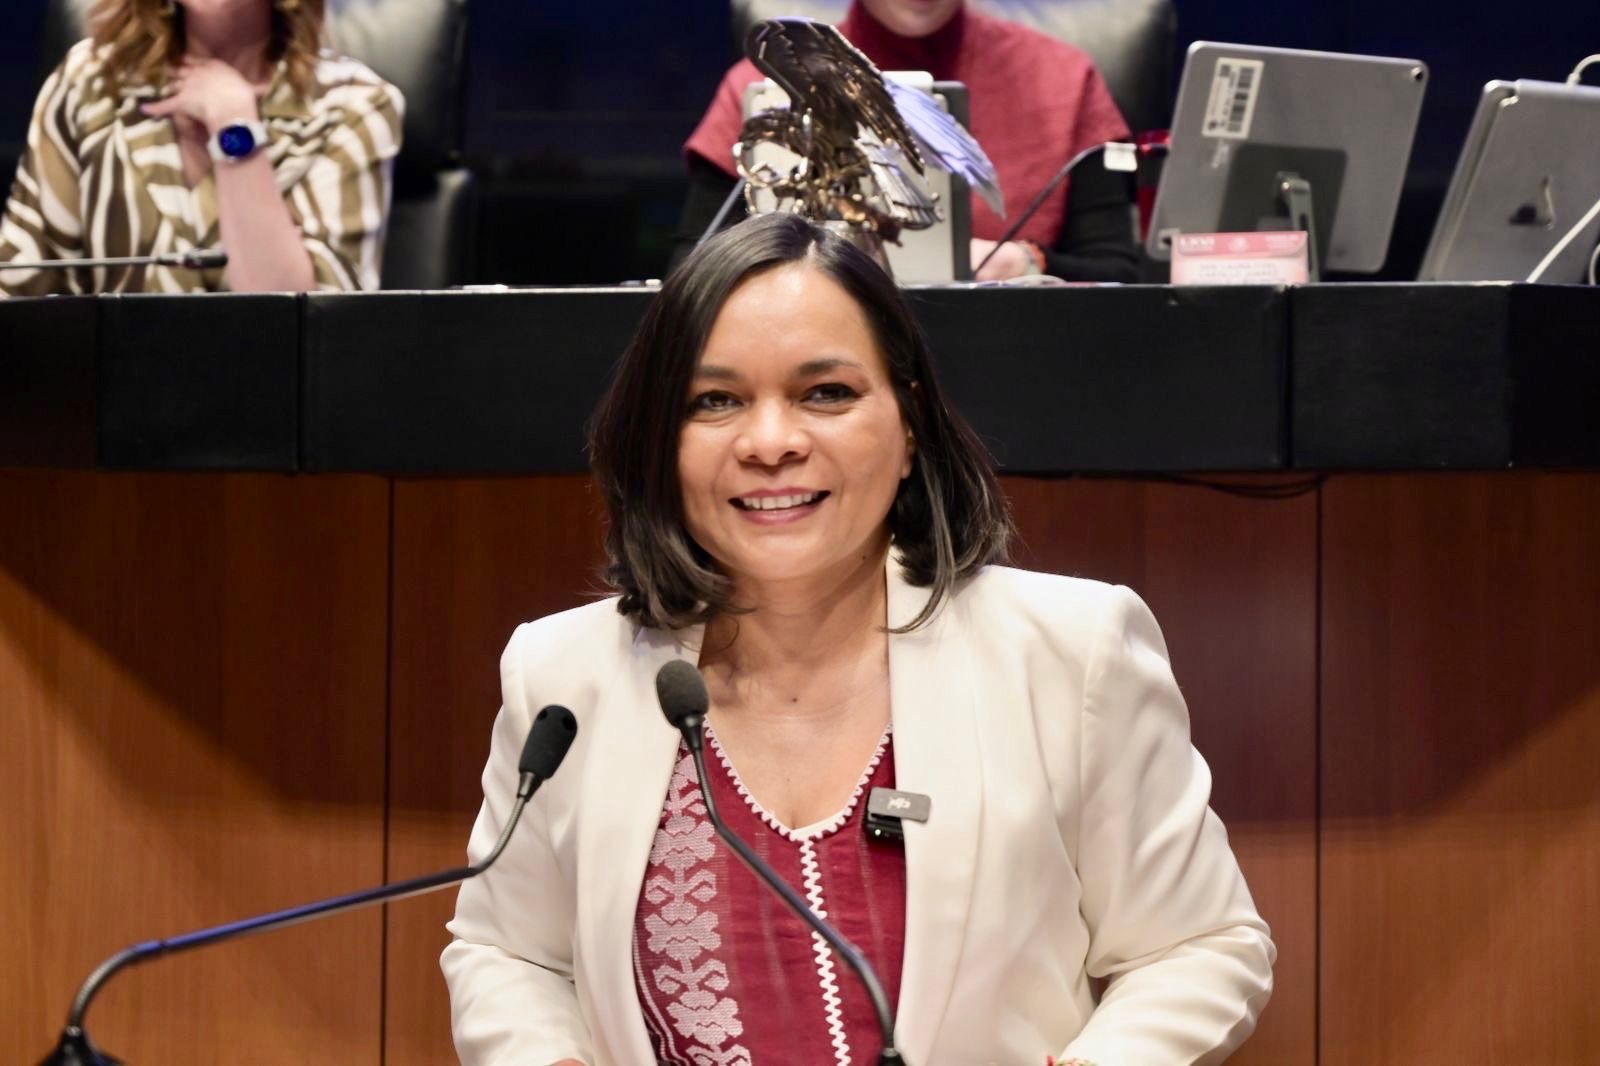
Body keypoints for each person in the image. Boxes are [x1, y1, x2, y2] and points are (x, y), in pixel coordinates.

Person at [441, 212, 1273, 1065]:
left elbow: (1198, 946)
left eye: (826, 393)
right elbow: (508, 953)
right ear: (660, 440)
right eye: (716, 401)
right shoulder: (564, 673)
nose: (772, 443)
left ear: (909, 426)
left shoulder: (1070, 651)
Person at [675, 0, 1140, 282]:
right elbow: (688, 274)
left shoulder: (1064, 79)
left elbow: (1120, 275)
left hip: (1008, 353)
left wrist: (1026, 262)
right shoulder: (759, 88)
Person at [0, 0, 403, 297]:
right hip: (106, 383)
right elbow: (18, 288)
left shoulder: (353, 106)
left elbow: (314, 332)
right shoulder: (92, 83)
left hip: (272, 389)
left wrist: (234, 126)